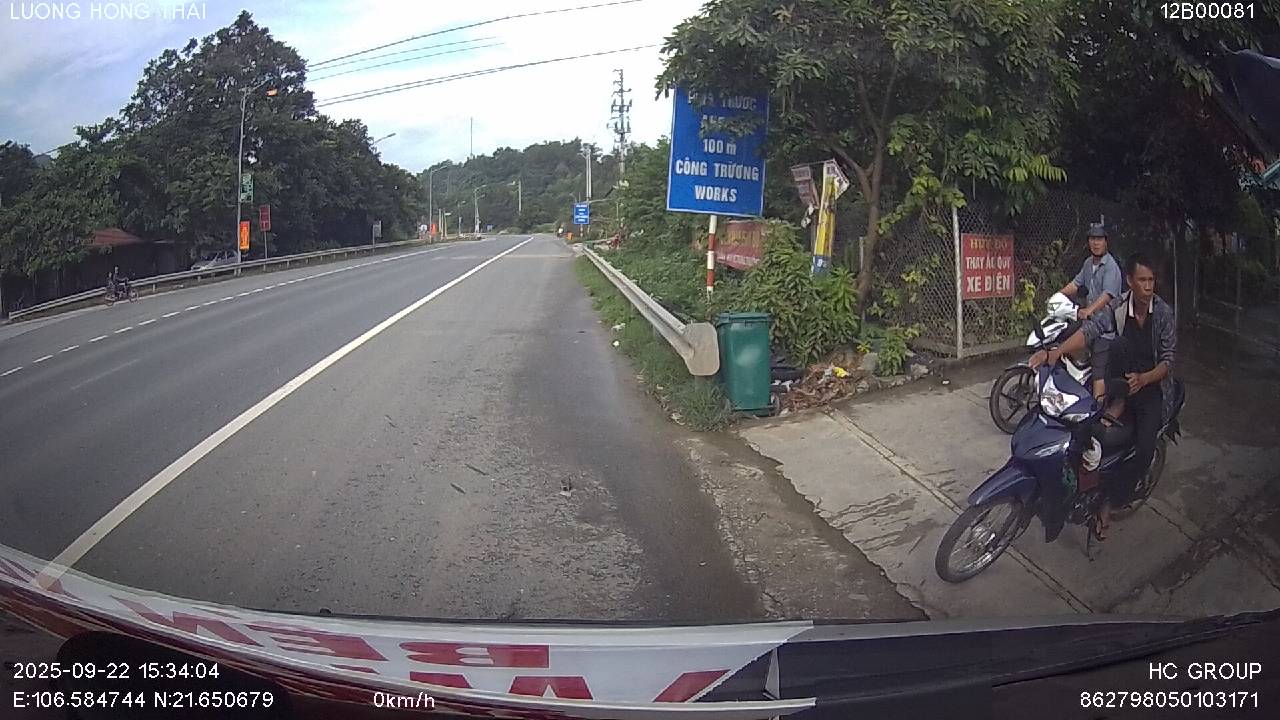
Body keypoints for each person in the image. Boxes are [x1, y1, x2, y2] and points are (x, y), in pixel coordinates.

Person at [1031, 253, 1176, 538]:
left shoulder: (1163, 313)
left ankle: (1110, 501)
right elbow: (1090, 330)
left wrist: (1145, 379)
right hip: (1121, 379)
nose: (1148, 286)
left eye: (1151, 280)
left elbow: (1169, 360)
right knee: (1083, 424)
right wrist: (1055, 352)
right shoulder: (1119, 306)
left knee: (1144, 451)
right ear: (1130, 281)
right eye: (1142, 280)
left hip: (1152, 386)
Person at [1056, 222, 1123, 399]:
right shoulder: (1088, 263)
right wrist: (1058, 295)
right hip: (1089, 322)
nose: (1096, 243)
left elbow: (1107, 295)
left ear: (1106, 242)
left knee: (1098, 373)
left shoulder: (1111, 267)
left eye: (1099, 239)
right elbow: (1076, 284)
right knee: (1064, 336)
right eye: (1093, 239)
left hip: (1105, 326)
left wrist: (1089, 310)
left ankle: (1098, 408)